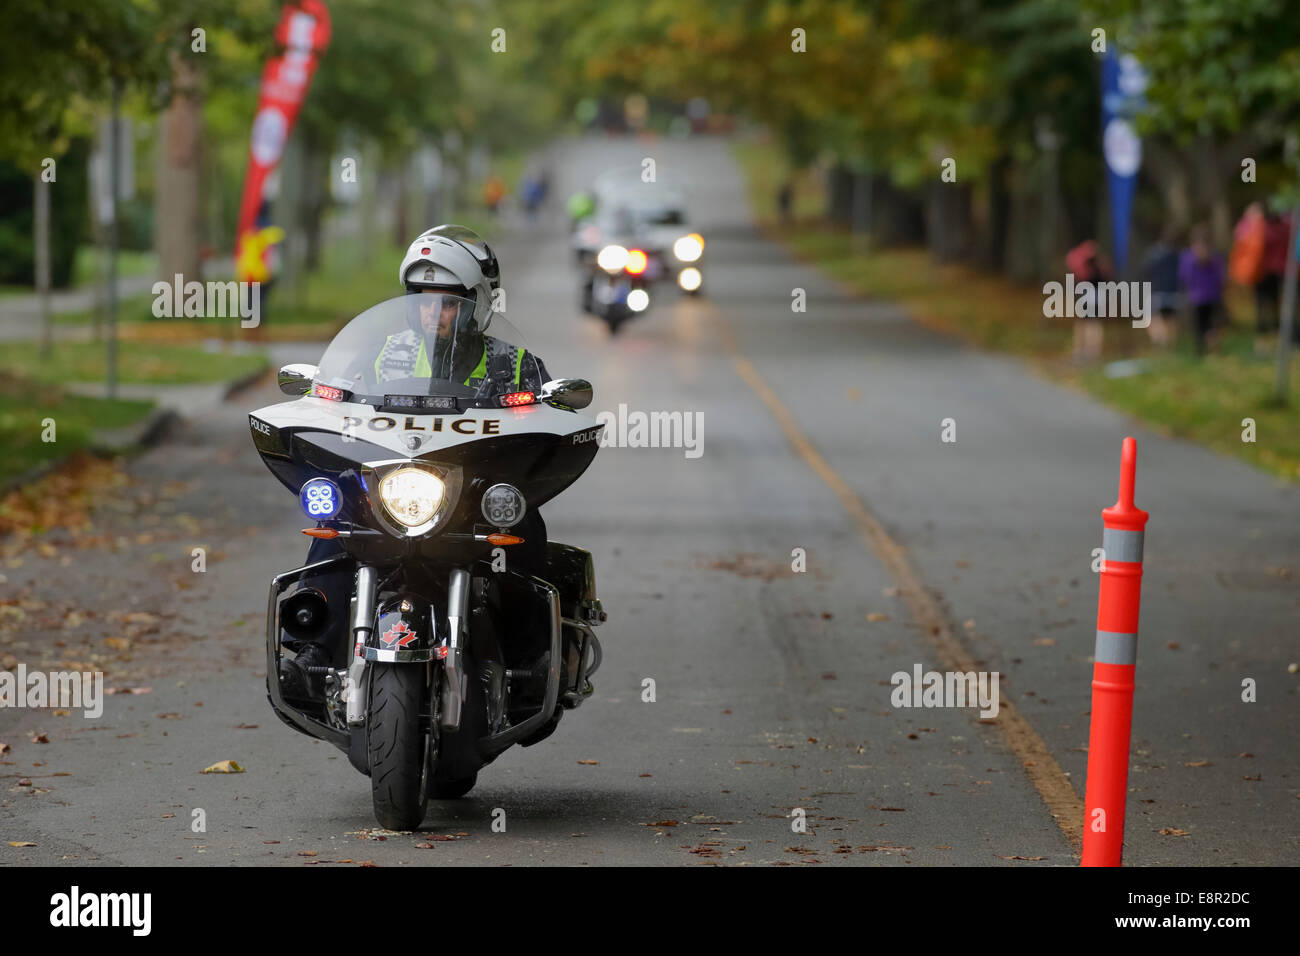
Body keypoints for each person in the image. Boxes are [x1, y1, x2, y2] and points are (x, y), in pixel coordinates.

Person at [1180, 225, 1226, 356]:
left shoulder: (1188, 256)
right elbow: (1221, 277)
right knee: (1211, 325)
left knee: (1199, 326)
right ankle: (1214, 350)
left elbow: (1184, 276)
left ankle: (1201, 352)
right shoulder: (1216, 256)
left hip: (1196, 296)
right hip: (1213, 295)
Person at [1141, 225, 1181, 347]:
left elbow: (1146, 271)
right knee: (1171, 318)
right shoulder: (1178, 255)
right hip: (1174, 291)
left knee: (1152, 317)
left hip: (1158, 291)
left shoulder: (1154, 254)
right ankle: (1171, 344)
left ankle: (1162, 341)